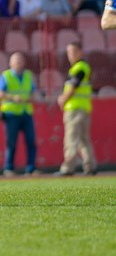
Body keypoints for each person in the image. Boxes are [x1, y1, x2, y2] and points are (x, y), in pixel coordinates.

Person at [0, 52, 39, 177]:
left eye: (20, 60)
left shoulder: (28, 76)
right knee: (11, 142)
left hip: (26, 112)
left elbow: (34, 93)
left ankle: (31, 168)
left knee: (31, 141)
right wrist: (13, 97)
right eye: (16, 60)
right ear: (10, 63)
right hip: (11, 114)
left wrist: (29, 98)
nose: (19, 62)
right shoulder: (6, 76)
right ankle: (9, 168)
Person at [56, 43, 96, 176]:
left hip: (74, 108)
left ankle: (68, 167)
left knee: (71, 138)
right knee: (84, 139)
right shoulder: (82, 67)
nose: (70, 55)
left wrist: (63, 98)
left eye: (73, 51)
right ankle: (90, 166)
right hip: (84, 107)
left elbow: (73, 86)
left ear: (80, 52)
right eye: (68, 52)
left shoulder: (79, 68)